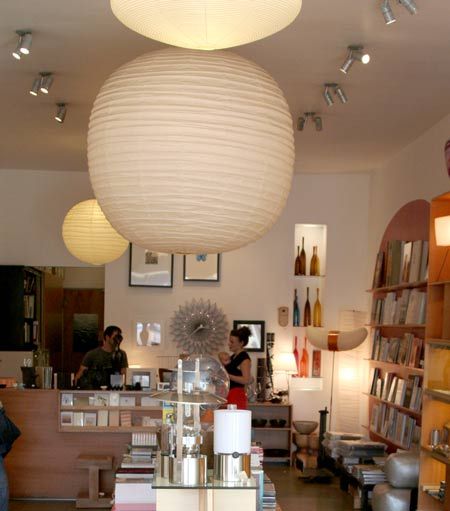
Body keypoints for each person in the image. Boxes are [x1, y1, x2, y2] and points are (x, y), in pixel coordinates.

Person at [219, 327, 252, 409]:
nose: (229, 344)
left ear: (241, 343)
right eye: (229, 341)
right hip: (230, 394)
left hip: (237, 395)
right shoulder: (233, 357)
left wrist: (227, 375)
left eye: (232, 342)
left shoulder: (244, 358)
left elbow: (246, 380)